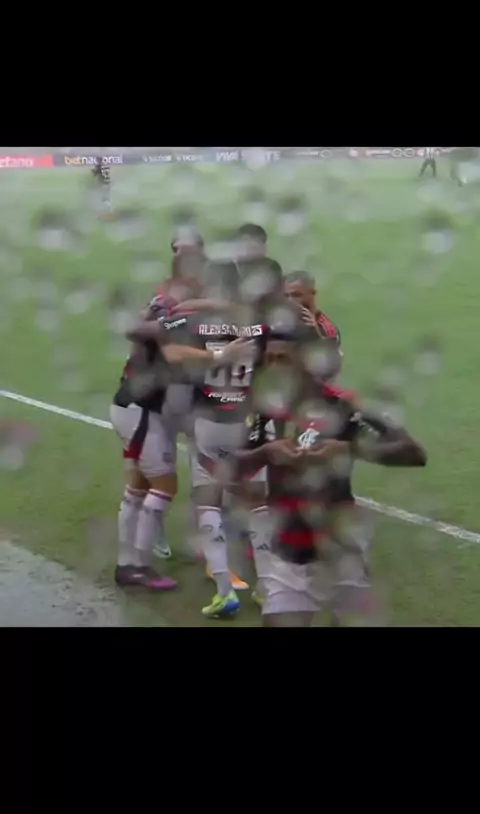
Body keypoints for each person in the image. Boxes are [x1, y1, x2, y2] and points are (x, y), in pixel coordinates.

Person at [233, 328, 427, 627]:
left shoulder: (343, 406)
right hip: (288, 556)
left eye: (283, 359)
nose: (273, 367)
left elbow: (413, 452)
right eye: (269, 358)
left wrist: (350, 449)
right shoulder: (264, 409)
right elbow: (231, 468)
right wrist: (266, 453)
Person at [162, 259, 286, 618]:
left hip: (211, 420)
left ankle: (224, 592)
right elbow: (272, 365)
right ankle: (269, 589)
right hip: (247, 421)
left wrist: (215, 352)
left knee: (208, 500)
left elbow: (169, 346)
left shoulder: (197, 321)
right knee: (258, 503)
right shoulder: (259, 324)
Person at [109, 298, 251, 591]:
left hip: (135, 411)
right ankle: (139, 567)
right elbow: (174, 353)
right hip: (141, 413)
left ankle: (127, 564)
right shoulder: (169, 340)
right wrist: (221, 354)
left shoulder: (154, 338)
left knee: (137, 488)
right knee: (164, 487)